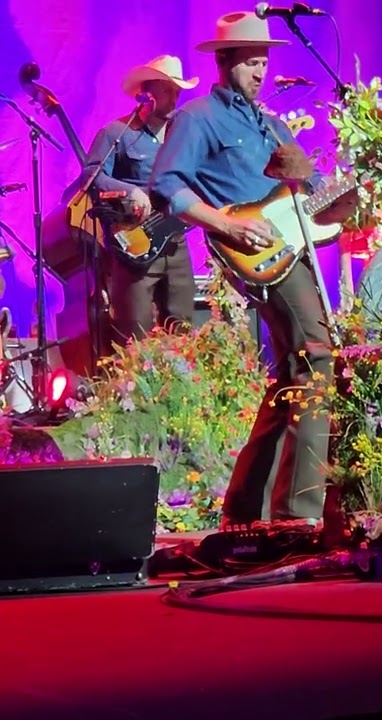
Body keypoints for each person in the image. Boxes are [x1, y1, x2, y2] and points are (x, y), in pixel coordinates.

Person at [150, 11, 334, 529]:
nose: (260, 70)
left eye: (264, 60)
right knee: (316, 357)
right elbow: (167, 186)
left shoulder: (272, 124)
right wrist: (225, 226)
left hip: (295, 249)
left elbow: (311, 197)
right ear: (225, 61)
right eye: (251, 61)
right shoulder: (199, 117)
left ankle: (245, 508)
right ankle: (298, 513)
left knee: (292, 372)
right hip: (253, 253)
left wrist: (353, 195)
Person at [78, 56, 199, 345]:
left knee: (183, 329)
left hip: (175, 242)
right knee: (134, 336)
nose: (175, 97)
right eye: (168, 89)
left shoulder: (182, 135)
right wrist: (129, 191)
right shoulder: (116, 133)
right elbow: (91, 176)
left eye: (178, 91)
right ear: (147, 93)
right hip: (134, 240)